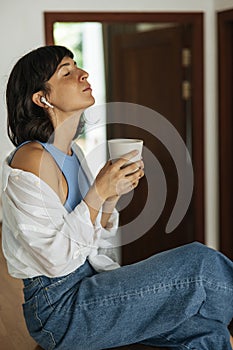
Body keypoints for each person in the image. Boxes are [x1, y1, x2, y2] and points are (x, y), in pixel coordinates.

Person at [1, 45, 233, 350]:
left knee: (203, 331)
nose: (83, 74)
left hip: (88, 285)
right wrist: (98, 193)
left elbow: (94, 240)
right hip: (59, 308)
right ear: (43, 98)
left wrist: (111, 196)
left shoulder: (74, 153)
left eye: (77, 66)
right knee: (199, 264)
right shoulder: (32, 158)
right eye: (67, 72)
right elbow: (54, 260)